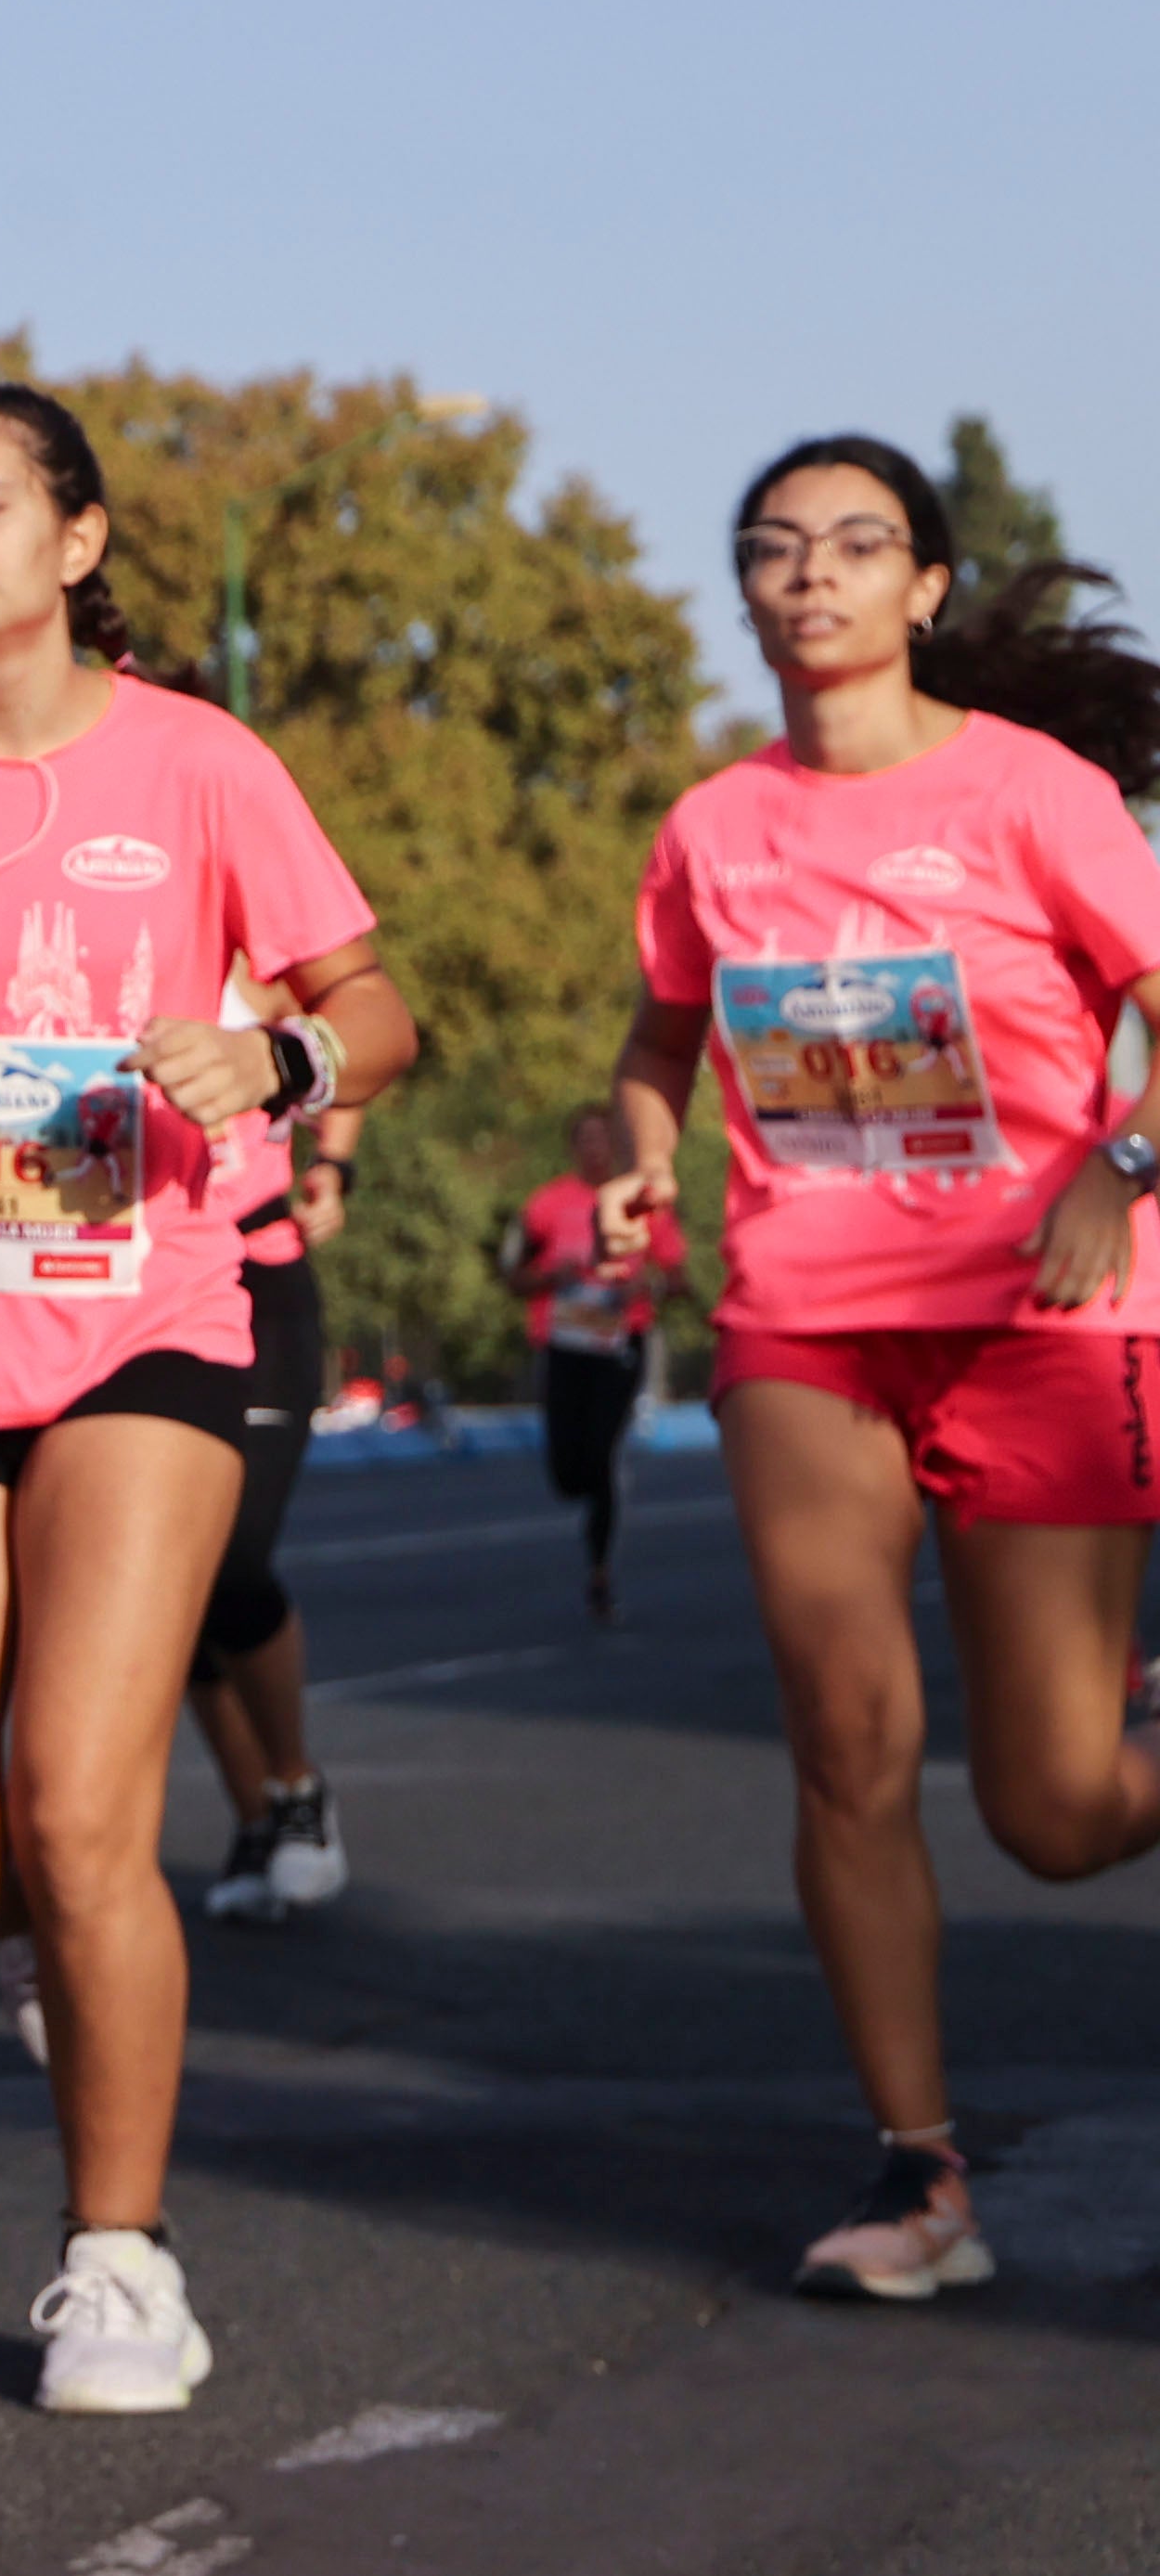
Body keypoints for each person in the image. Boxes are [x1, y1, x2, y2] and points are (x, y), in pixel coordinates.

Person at [0, 380, 415, 2418]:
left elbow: (370, 1006)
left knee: (86, 1806)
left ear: (78, 542)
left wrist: (276, 1069)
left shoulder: (198, 764)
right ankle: (50, 1929)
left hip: (148, 1319)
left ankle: (121, 2258)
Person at [595, 434, 1160, 2301]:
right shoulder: (715, 826)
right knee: (849, 1739)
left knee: (1058, 1812)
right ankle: (923, 2179)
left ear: (924, 587)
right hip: (806, 1319)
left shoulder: (1033, 794)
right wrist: (629, 1167)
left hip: (1048, 1309)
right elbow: (659, 1042)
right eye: (774, 550)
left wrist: (1119, 1164)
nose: (810, 576)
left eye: (854, 546)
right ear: (747, 594)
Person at [185, 997, 365, 1931]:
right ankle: (256, 1819)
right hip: (140, 1290)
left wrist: (332, 1161)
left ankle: (298, 1789)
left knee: (234, 1556)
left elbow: (363, 1037)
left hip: (258, 1279)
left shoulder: (267, 953)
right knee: (170, 1586)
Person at [509, 1103, 679, 1617]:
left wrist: (640, 1285)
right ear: (573, 1147)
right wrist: (548, 1278)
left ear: (620, 1146)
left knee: (604, 1455)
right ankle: (587, 1487)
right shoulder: (545, 1205)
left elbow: (678, 1277)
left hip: (619, 1344)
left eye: (605, 1139)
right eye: (585, 1139)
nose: (595, 1148)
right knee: (569, 1470)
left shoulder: (643, 1202)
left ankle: (599, 1571)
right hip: (563, 1344)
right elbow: (512, 1272)